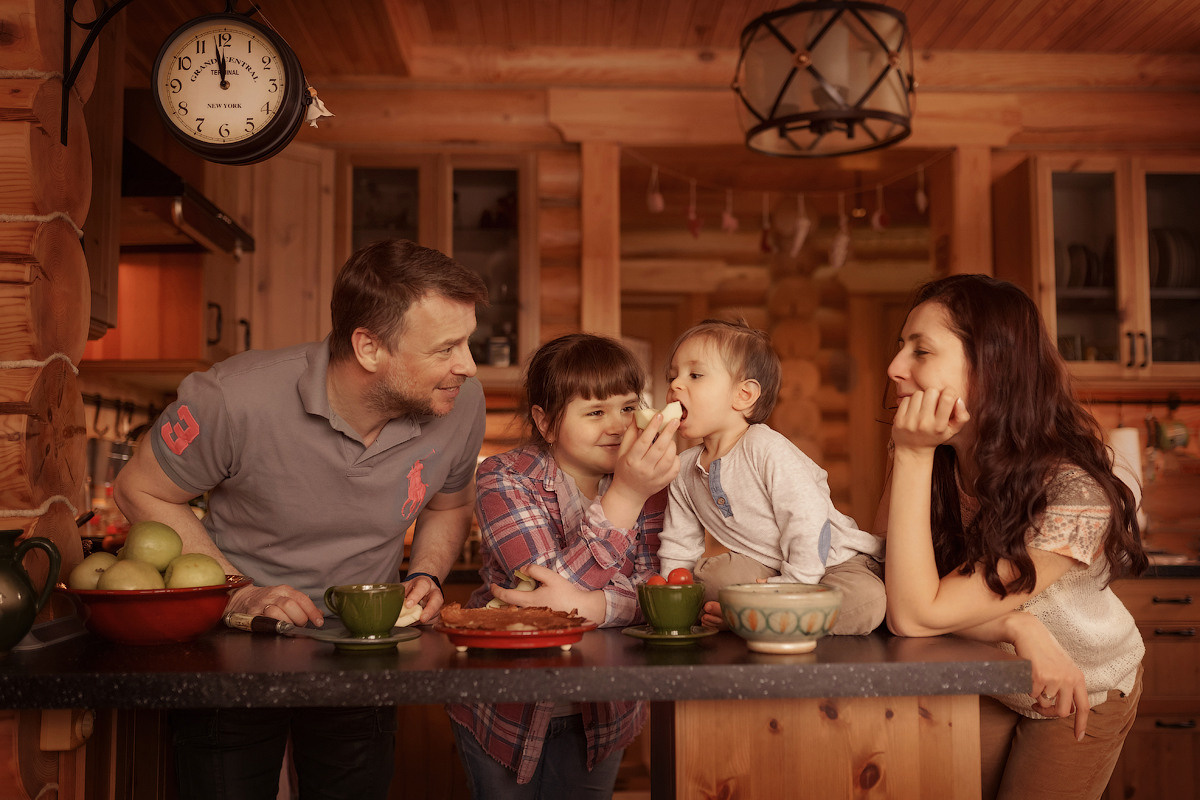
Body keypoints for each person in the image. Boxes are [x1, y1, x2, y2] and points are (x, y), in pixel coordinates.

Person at [114, 239, 489, 800]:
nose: (469, 365)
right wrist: (239, 591)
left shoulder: (460, 403)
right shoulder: (232, 398)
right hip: (233, 653)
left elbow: (449, 503)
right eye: (446, 348)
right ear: (368, 347)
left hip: (365, 650)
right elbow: (139, 488)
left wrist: (429, 575)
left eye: (468, 343)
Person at [880, 274, 1148, 800]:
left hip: (1083, 683)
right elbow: (900, 598)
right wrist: (1015, 625)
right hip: (992, 670)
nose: (895, 368)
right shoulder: (923, 455)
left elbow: (916, 612)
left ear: (990, 368)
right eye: (900, 347)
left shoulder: (1078, 494)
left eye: (921, 350)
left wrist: (911, 454)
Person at [446, 333, 680, 799]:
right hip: (503, 708)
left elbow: (661, 594)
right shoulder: (503, 475)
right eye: (594, 412)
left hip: (605, 713)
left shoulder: (658, 485)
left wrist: (590, 607)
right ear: (547, 423)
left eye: (628, 407)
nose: (617, 426)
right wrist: (626, 496)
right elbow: (539, 599)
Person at [656, 319, 886, 634]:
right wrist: (674, 597)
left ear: (743, 395)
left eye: (694, 375)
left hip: (832, 564)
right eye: (673, 376)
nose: (675, 386)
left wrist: (794, 586)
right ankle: (765, 617)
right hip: (767, 569)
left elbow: (807, 520)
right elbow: (679, 543)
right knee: (712, 579)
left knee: (869, 600)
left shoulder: (765, 447)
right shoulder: (683, 469)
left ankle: (758, 617)